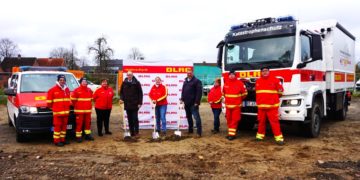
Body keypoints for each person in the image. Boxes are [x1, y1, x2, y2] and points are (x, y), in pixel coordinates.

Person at [255, 66, 285, 145]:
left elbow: (280, 92)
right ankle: (260, 136)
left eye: (266, 71)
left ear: (269, 71)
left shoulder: (275, 80)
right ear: (261, 72)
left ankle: (279, 138)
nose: (265, 72)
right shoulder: (258, 81)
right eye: (263, 71)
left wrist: (273, 100)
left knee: (274, 123)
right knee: (261, 122)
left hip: (272, 107)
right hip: (261, 107)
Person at [47, 75, 71, 147]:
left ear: (65, 81)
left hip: (65, 113)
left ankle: (62, 140)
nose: (62, 81)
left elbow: (68, 101)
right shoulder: (52, 90)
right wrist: (55, 109)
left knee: (64, 127)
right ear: (58, 81)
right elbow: (49, 103)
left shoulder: (67, 89)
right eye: (60, 80)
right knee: (57, 128)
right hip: (57, 113)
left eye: (63, 80)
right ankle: (56, 141)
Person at [223, 70, 247, 140]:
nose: (231, 76)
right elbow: (224, 93)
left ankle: (232, 135)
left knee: (234, 120)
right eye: (230, 74)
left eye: (233, 74)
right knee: (228, 120)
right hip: (228, 106)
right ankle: (230, 133)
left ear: (235, 75)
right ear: (229, 75)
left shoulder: (240, 83)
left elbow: (244, 94)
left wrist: (238, 99)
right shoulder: (226, 83)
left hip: (236, 106)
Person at [120, 71, 143, 137]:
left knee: (135, 118)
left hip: (135, 104)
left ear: (132, 75)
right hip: (127, 104)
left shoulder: (137, 83)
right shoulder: (124, 83)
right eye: (128, 75)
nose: (129, 76)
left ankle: (137, 132)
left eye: (130, 75)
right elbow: (121, 92)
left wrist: (140, 103)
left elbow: (140, 93)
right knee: (129, 118)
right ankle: (132, 132)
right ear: (127, 75)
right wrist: (121, 99)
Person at [180, 70, 203, 137]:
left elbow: (199, 93)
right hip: (186, 103)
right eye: (188, 73)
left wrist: (197, 102)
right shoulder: (185, 81)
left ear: (192, 73)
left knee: (196, 118)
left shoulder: (197, 81)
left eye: (190, 73)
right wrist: (182, 99)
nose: (189, 74)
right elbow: (183, 91)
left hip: (193, 103)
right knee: (189, 117)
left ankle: (199, 133)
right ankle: (190, 130)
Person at [71, 77, 94, 142]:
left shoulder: (89, 90)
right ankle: (78, 136)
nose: (84, 83)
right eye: (83, 81)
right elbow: (73, 100)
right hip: (79, 111)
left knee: (88, 123)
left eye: (85, 81)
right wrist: (78, 106)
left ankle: (87, 135)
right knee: (79, 124)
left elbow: (91, 99)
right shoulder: (76, 90)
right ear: (80, 82)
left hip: (87, 111)